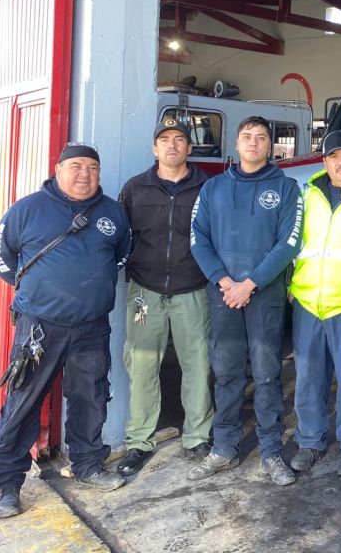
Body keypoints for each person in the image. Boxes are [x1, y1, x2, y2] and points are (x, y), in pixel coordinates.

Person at [0, 143, 132, 517]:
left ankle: (88, 465)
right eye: (75, 166)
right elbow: (5, 258)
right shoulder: (28, 210)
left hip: (91, 327)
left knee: (91, 397)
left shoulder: (112, 212)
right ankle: (5, 483)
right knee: (23, 403)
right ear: (57, 170)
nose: (84, 174)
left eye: (92, 167)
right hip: (39, 329)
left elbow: (121, 254)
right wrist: (38, 292)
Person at [188, 116, 303, 486]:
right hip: (223, 295)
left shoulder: (286, 188)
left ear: (270, 146)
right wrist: (225, 281)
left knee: (268, 374)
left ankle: (271, 451)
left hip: (264, 295)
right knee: (227, 373)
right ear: (236, 144)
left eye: (261, 138)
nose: (253, 142)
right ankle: (224, 448)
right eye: (247, 137)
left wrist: (250, 283)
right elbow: (198, 240)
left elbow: (290, 242)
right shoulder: (213, 189)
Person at [116, 118, 213, 476]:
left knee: (198, 364)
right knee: (141, 366)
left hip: (194, 290)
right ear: (154, 149)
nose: (172, 145)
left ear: (189, 148)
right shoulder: (134, 189)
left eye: (179, 139)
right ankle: (139, 441)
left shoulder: (208, 187)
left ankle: (198, 435)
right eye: (164, 139)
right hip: (145, 291)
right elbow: (119, 236)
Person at [288, 130, 341, 478]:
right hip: (308, 302)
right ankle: (310, 442)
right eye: (333, 156)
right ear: (323, 162)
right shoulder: (306, 195)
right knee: (309, 379)